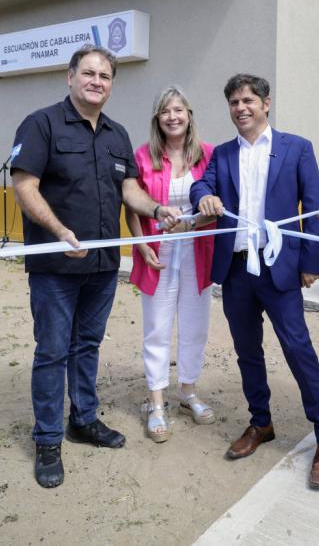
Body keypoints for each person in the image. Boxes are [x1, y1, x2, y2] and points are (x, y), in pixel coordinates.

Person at [10, 44, 182, 489]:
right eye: (88, 73)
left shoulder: (116, 134)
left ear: (111, 85)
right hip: (55, 266)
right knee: (53, 351)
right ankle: (48, 440)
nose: (96, 82)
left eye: (105, 76)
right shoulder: (41, 124)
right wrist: (59, 230)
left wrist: (156, 208)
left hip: (103, 266)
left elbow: (129, 190)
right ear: (70, 77)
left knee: (87, 345)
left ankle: (83, 419)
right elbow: (24, 185)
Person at [191, 73, 319, 490]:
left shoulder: (297, 148)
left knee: (298, 348)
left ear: (266, 104)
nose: (240, 108)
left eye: (248, 100)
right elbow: (203, 183)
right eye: (234, 102)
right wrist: (203, 195)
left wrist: (312, 260)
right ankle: (261, 423)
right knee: (247, 351)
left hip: (280, 268)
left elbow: (314, 206)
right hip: (237, 270)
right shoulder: (222, 154)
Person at [125, 86, 218, 443]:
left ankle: (188, 392)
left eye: (178, 110)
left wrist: (191, 224)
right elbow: (131, 205)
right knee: (157, 328)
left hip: (198, 251)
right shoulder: (143, 155)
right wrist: (141, 245)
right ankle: (156, 402)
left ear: (189, 115)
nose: (172, 117)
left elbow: (217, 207)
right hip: (158, 253)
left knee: (195, 327)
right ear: (157, 118)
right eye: (165, 111)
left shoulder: (208, 155)